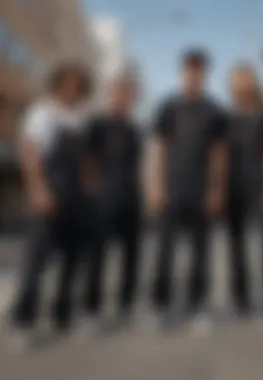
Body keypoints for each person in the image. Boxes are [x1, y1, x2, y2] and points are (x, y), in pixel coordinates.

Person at [11, 62, 93, 345]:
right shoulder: (43, 112)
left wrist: (88, 191)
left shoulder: (80, 118)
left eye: (78, 83)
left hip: (76, 200)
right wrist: (38, 190)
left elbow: (84, 163)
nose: (72, 87)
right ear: (58, 83)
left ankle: (63, 317)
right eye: (67, 82)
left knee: (72, 261)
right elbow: (29, 150)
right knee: (36, 262)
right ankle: (23, 323)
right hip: (50, 194)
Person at [149, 49, 228, 324]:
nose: (194, 74)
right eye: (190, 69)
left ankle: (198, 308)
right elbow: (159, 147)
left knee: (200, 253)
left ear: (205, 74)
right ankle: (160, 307)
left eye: (200, 70)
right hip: (171, 190)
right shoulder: (167, 107)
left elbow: (218, 153)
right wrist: (156, 185)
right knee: (164, 252)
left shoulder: (215, 111)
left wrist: (216, 190)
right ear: (182, 72)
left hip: (201, 191)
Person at [226, 64, 263, 319]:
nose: (242, 83)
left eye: (246, 78)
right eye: (237, 79)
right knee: (236, 246)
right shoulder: (227, 119)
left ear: (253, 82)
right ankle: (242, 301)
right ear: (231, 86)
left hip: (261, 184)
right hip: (233, 188)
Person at [83, 72, 143, 324]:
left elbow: (138, 165)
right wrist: (91, 192)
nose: (125, 97)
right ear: (112, 94)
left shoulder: (134, 129)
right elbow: (87, 161)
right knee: (98, 256)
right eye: (120, 92)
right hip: (103, 201)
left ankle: (126, 306)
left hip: (131, 200)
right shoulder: (98, 124)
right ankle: (91, 311)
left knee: (131, 257)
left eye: (129, 94)